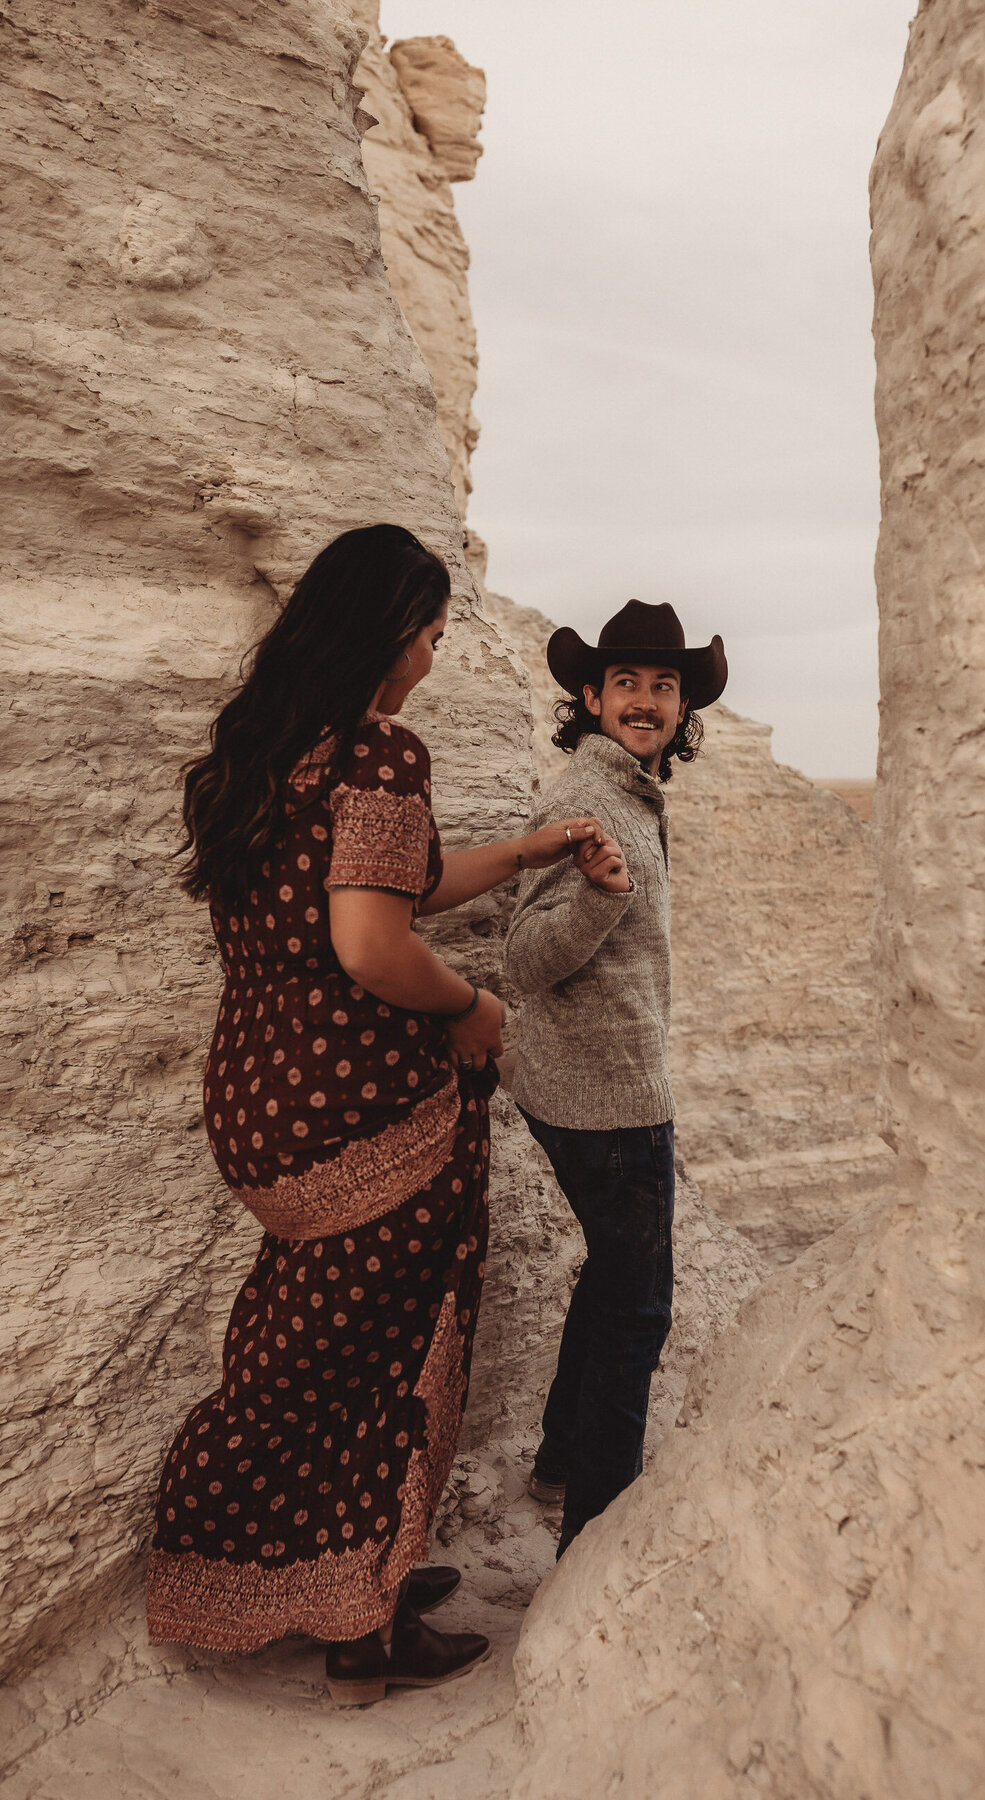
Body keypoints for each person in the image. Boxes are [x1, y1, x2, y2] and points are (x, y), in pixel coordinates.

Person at [146, 524, 603, 1706]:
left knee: (317, 1338)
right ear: (395, 632)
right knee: (393, 1354)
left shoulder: (268, 754)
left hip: (259, 1101)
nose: (435, 660)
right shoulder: (380, 753)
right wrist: (474, 1011)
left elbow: (388, 882)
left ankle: (361, 1572)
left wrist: (524, 850)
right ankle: (364, 1631)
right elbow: (371, 939)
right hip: (359, 1102)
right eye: (436, 635)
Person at [503, 599, 727, 1556]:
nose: (646, 700)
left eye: (663, 685)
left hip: (595, 1084)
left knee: (612, 1277)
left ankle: (562, 1454)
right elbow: (523, 959)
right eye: (626, 683)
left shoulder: (629, 792)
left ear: (681, 709)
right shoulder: (582, 806)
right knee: (640, 1311)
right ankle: (592, 1536)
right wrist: (600, 898)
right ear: (589, 696)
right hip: (608, 1105)